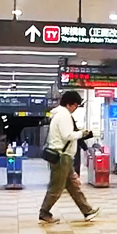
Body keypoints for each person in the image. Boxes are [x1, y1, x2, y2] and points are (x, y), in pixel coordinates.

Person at [39, 91, 100, 224]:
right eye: (76, 105)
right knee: (56, 187)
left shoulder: (60, 114)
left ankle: (87, 211)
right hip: (62, 157)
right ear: (69, 104)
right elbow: (67, 135)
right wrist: (83, 134)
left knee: (74, 187)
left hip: (64, 157)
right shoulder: (64, 115)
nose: (76, 108)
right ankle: (44, 212)